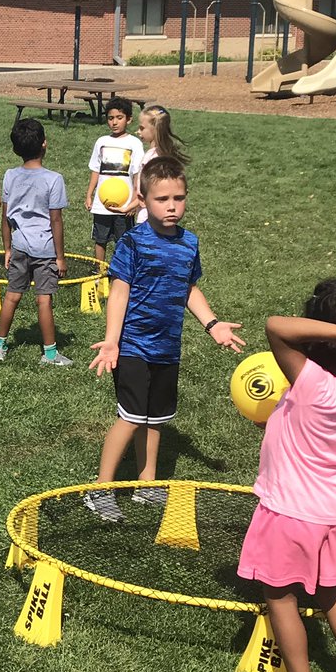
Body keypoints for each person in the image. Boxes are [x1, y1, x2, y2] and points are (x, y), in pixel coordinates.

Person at [85, 156, 244, 522]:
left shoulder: (189, 243)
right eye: (162, 199)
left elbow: (189, 288)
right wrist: (112, 341)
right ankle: (100, 490)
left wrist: (213, 324)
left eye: (179, 197)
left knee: (155, 418)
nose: (172, 206)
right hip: (133, 346)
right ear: (142, 199)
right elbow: (119, 291)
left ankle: (147, 482)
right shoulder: (133, 243)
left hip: (167, 348)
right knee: (130, 417)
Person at [236, 282, 336, 672]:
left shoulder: (313, 383)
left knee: (280, 598)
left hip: (290, 513)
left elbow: (275, 326)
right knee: (331, 595)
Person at [0, 119, 73, 367]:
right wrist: (60, 257)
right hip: (46, 249)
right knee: (44, 300)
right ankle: (49, 354)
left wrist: (7, 248)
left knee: (12, 297)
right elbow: (56, 220)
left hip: (19, 246)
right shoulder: (54, 179)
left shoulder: (10, 176)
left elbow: (6, 216)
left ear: (16, 148)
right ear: (44, 144)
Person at [84, 97, 143, 262]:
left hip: (124, 205)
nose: (114, 122)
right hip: (102, 203)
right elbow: (96, 169)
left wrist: (134, 200)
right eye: (110, 118)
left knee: (124, 240)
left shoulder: (134, 143)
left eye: (119, 118)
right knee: (100, 239)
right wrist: (89, 194)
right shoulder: (102, 142)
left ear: (129, 119)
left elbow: (137, 173)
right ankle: (99, 271)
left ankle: (121, 272)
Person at [135, 104, 189, 225]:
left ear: (154, 129)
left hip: (149, 217)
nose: (138, 131)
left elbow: (147, 190)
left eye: (142, 128)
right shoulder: (162, 155)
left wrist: (127, 207)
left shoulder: (152, 159)